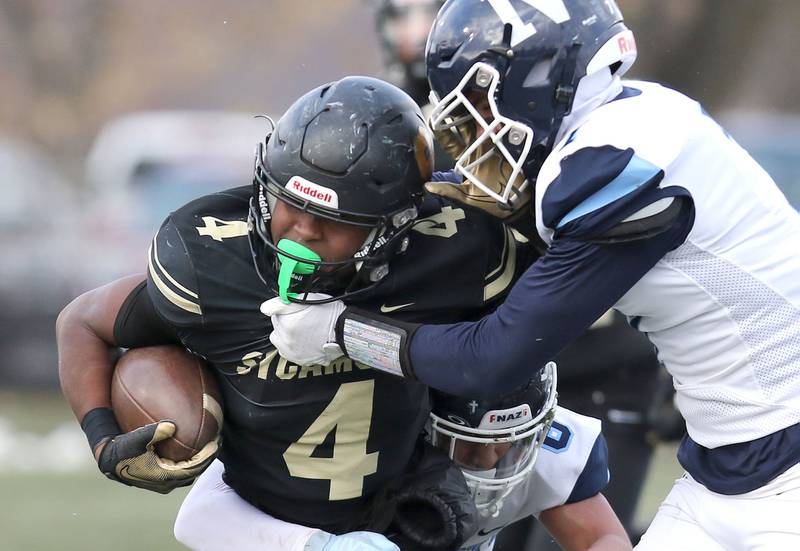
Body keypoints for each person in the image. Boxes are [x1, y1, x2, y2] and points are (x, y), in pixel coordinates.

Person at [262, 1, 800, 549]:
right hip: (731, 470)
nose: (469, 133)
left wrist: (339, 333)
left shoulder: (613, 168)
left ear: (536, 83)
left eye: (474, 106)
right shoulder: (635, 119)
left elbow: (490, 361)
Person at [56, 75, 537, 549]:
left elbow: (516, 333)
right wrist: (103, 441)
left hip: (403, 508)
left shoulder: (450, 251)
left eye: (334, 218)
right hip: (259, 522)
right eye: (288, 201)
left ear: (398, 223)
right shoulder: (210, 265)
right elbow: (80, 322)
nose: (301, 230)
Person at [373, 1, 679, 545]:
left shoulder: (582, 134)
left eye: (426, 15)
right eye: (404, 16)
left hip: (596, 362)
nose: (415, 33)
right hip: (503, 378)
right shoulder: (400, 131)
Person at [174, 362, 631, 551]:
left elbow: (600, 541)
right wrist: (319, 546)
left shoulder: (551, 446)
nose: (491, 457)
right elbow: (198, 514)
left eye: (511, 442)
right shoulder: (356, 426)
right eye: (466, 443)